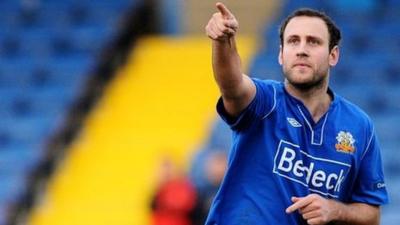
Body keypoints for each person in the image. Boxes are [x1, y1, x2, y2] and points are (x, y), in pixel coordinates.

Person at [204, 2, 388, 225]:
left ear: (333, 55)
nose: (302, 49)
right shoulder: (265, 100)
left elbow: (372, 214)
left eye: (313, 41)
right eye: (293, 41)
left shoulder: (360, 126)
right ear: (281, 54)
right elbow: (231, 85)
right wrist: (223, 42)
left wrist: (334, 209)